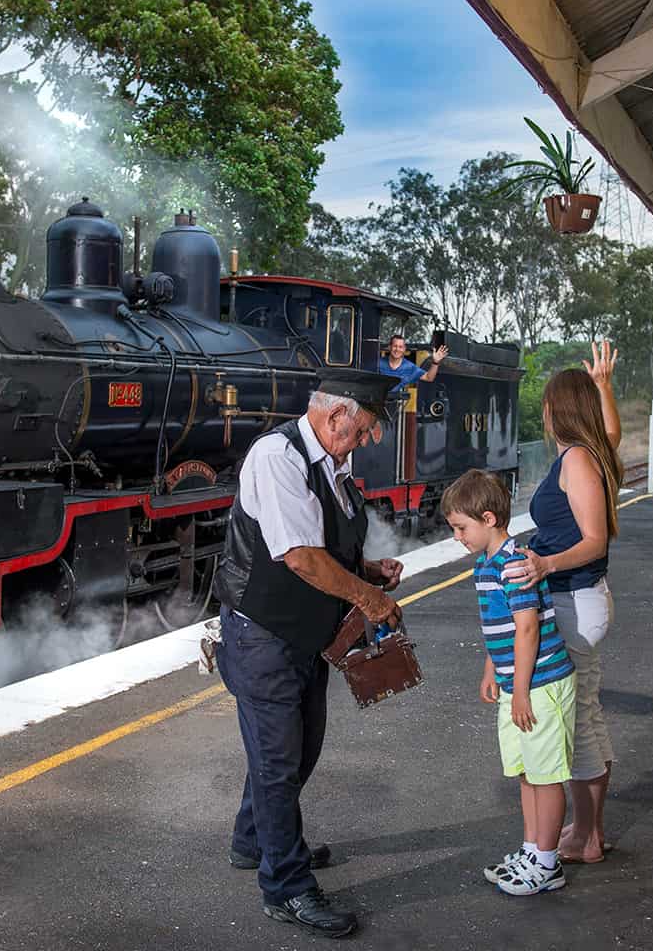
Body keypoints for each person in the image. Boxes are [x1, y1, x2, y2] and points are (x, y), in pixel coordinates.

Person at [211, 369, 405, 939]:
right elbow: (297, 554)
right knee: (278, 760)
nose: (368, 441)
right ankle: (286, 886)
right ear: (334, 414)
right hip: (261, 633)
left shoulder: (334, 463)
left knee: (298, 749)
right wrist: (367, 598)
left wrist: (366, 570)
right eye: (365, 428)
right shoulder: (278, 456)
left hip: (302, 635)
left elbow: (326, 546)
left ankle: (256, 840)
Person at [501, 339, 623, 865]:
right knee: (588, 713)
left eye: (548, 405)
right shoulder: (592, 452)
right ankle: (587, 830)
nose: (544, 414)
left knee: (575, 719)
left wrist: (545, 563)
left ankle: (586, 837)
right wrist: (604, 385)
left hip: (574, 597)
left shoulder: (576, 459)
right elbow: (613, 432)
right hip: (582, 598)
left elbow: (595, 538)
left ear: (558, 411)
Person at [442, 469, 576, 897]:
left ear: (487, 518)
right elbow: (498, 626)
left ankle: (549, 863)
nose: (457, 537)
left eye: (461, 528)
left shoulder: (514, 565)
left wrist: (519, 689)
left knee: (546, 775)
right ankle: (533, 850)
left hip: (540, 685)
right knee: (526, 772)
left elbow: (527, 629)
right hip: (518, 683)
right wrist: (490, 669)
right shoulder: (485, 564)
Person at [376, 334, 448, 392]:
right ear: (389, 347)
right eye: (395, 346)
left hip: (394, 404)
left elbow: (429, 377)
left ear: (404, 349)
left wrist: (435, 362)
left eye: (400, 347)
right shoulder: (377, 363)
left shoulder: (409, 367)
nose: (397, 349)